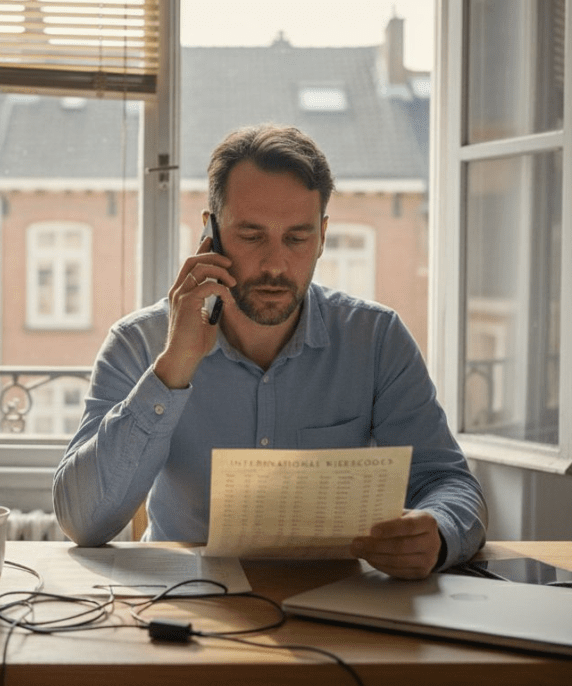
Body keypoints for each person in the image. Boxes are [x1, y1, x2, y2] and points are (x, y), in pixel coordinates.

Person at [54, 123, 486, 579]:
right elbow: (83, 522)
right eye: (252, 235)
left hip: (337, 608)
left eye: (297, 238)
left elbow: (449, 482)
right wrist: (172, 369)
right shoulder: (139, 342)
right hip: (184, 609)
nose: (276, 265)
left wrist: (437, 531)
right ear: (211, 233)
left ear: (321, 237)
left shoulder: (375, 339)